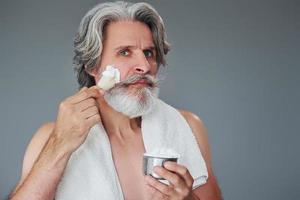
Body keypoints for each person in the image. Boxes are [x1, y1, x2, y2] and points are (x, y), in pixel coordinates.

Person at [10, 1, 222, 200]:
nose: (144, 66)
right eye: (125, 52)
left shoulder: (186, 127)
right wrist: (59, 144)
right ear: (92, 66)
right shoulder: (50, 137)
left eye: (149, 53)